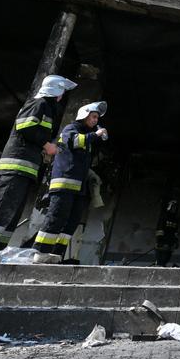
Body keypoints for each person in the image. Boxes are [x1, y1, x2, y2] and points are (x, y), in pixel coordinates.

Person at [0, 75, 77, 261]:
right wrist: (47, 145)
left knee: (10, 214)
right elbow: (24, 125)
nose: (62, 97)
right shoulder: (39, 104)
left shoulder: (46, 108)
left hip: (25, 170)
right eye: (62, 92)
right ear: (57, 92)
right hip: (14, 166)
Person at [32, 101, 108, 263]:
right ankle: (40, 252)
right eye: (93, 116)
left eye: (97, 118)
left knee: (72, 221)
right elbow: (74, 141)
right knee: (57, 216)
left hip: (79, 187)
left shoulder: (87, 135)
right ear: (84, 115)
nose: (95, 120)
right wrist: (96, 135)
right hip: (64, 183)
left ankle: (56, 254)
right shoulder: (70, 129)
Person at [155, 200, 179, 267]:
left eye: (175, 208)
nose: (174, 209)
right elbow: (159, 229)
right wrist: (160, 241)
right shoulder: (164, 217)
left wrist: (176, 241)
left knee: (166, 259)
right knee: (160, 261)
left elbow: (176, 232)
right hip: (162, 244)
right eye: (173, 207)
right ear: (169, 207)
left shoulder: (175, 219)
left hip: (170, 245)